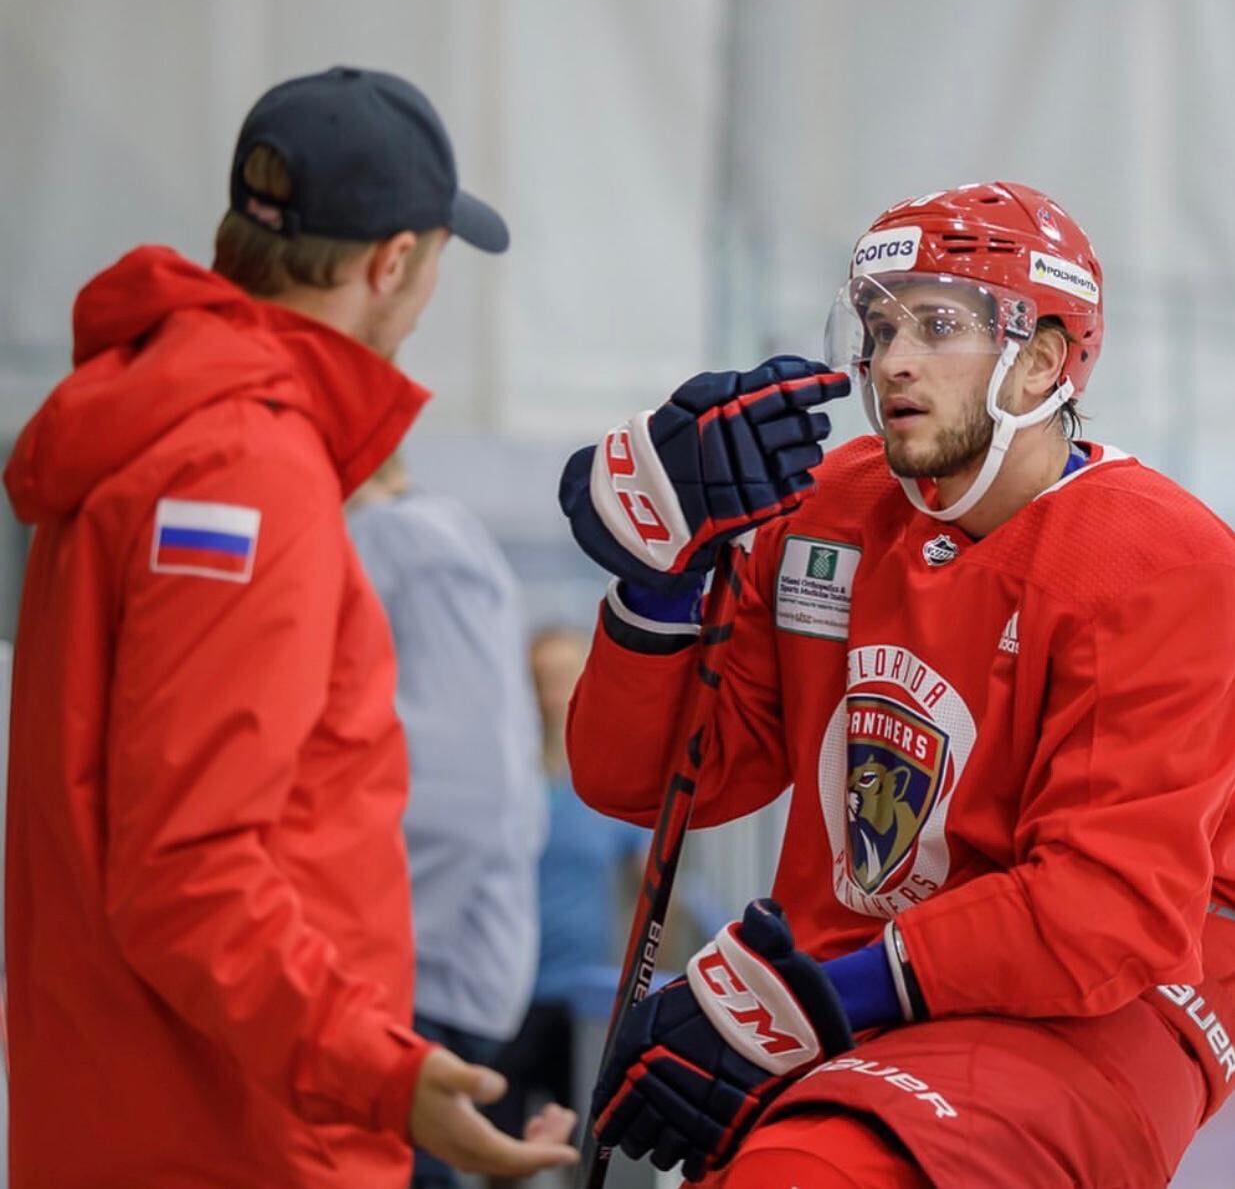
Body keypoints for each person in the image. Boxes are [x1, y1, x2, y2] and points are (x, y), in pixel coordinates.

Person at [557, 181, 1235, 1188]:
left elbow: (1104, 912)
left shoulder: (1157, 558)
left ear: (1042, 358)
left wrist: (827, 994)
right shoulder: (831, 510)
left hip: (1105, 1001)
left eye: (936, 322)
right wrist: (660, 584)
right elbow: (649, 781)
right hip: (848, 972)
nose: (892, 358)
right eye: (877, 325)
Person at [3, 66, 576, 1189]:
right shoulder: (243, 468)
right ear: (390, 265)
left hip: (140, 1109)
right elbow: (192, 869)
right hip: (234, 1131)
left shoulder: (158, 434)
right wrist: (383, 1071)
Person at [347, 452, 549, 1189]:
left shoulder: (405, 541)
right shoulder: (423, 537)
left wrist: (363, 945)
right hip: (426, 965)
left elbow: (469, 784)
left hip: (416, 975)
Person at [487, 626, 647, 1182]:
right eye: (545, 679)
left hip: (587, 1004)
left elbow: (651, 889)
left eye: (566, 677)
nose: (556, 692)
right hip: (508, 998)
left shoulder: (611, 784)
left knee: (584, 1157)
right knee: (498, 1151)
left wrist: (644, 994)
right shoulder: (505, 783)